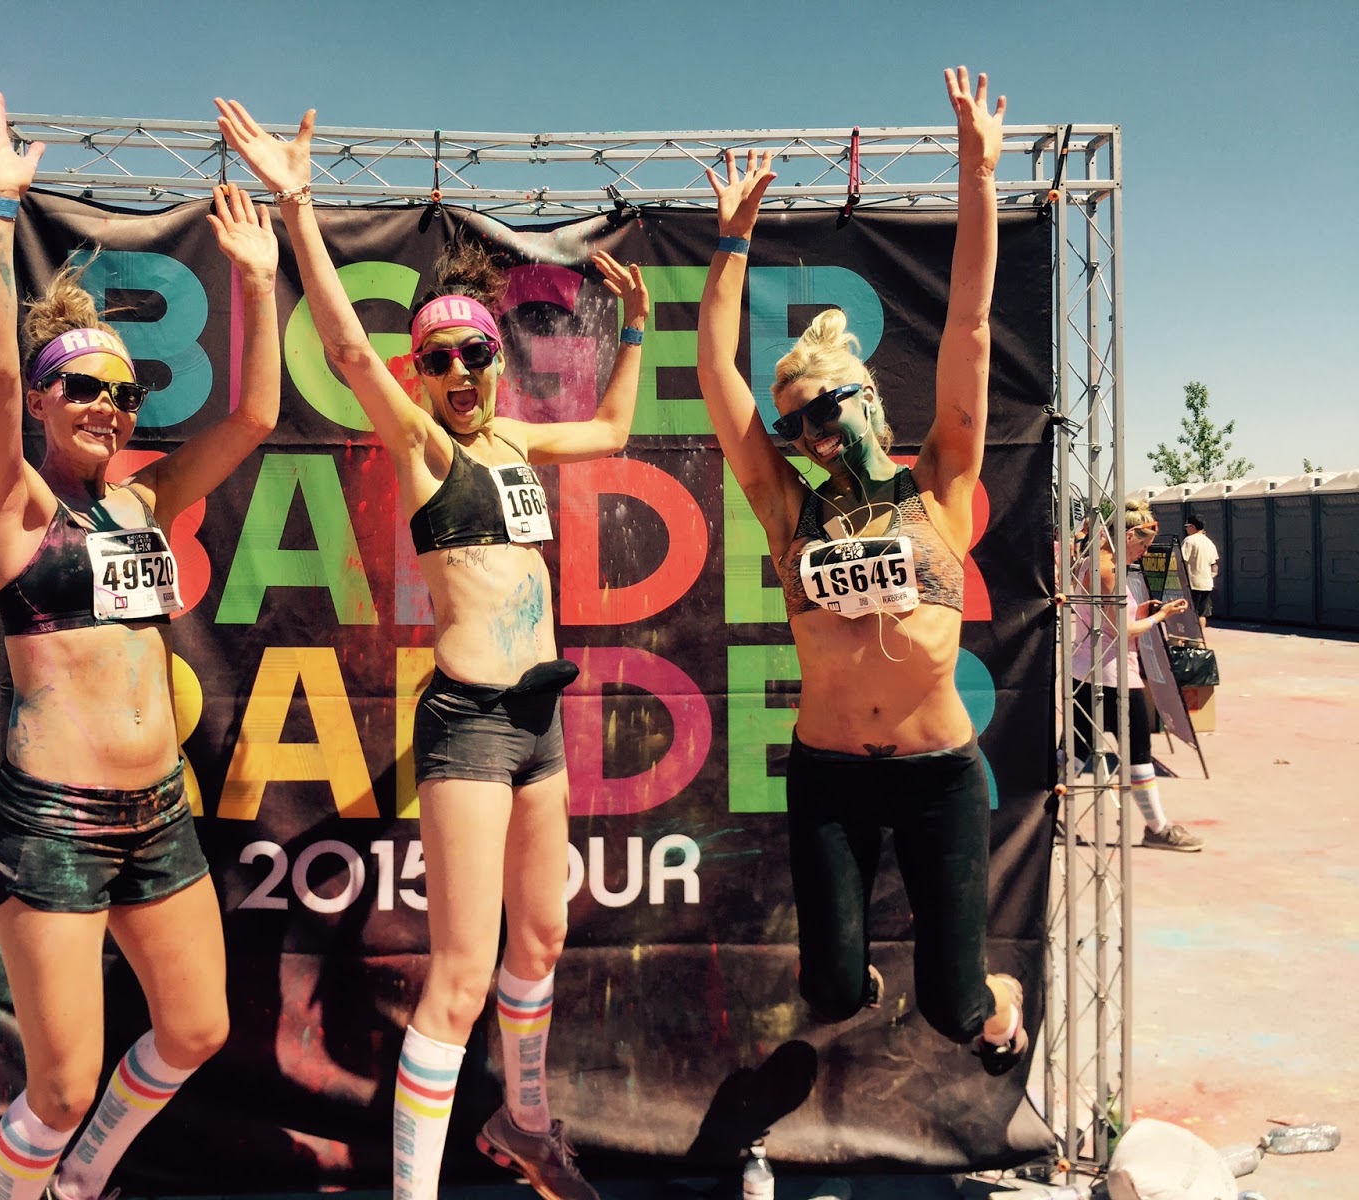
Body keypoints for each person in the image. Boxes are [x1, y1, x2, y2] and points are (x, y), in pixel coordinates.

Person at [216, 97, 649, 1200]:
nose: (459, 373)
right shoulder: (423, 448)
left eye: (475, 354)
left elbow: (611, 430)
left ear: (499, 360)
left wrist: (637, 335)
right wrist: (297, 207)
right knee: (459, 976)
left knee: (539, 939)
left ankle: (523, 1125)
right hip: (469, 725)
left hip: (540, 717)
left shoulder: (517, 441)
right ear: (419, 374)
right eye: (439, 359)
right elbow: (346, 347)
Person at [0, 78, 282, 1200]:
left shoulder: (143, 501)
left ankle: (82, 1181)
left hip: (160, 814)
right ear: (44, 402)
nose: (107, 405)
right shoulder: (14, 508)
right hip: (52, 826)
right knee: (58, 1087)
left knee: (194, 1030)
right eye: (82, 387)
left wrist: (258, 279)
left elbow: (255, 418)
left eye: (124, 393)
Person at [696, 68, 1029, 1074]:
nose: (809, 433)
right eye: (794, 422)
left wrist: (977, 174)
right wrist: (730, 244)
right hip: (829, 775)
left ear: (870, 400)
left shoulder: (940, 485)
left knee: (957, 1010)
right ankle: (856, 982)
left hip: (938, 775)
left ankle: (1002, 1002)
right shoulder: (790, 510)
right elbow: (716, 379)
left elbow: (969, 328)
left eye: (825, 409)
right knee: (833, 992)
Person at [1070, 501, 1204, 852]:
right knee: (1137, 751)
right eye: (1143, 545)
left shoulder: (1090, 563)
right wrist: (1160, 617)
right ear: (1128, 536)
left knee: (1074, 750)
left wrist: (1142, 612)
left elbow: (1106, 619)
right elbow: (1122, 630)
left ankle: (1046, 818)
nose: (1144, 553)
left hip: (1085, 671)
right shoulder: (1109, 571)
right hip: (1113, 675)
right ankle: (1157, 827)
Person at [1180, 514, 1219, 629]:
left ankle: (1189, 636)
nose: (1186, 529)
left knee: (1188, 612)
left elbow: (1180, 560)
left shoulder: (1189, 540)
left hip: (1191, 583)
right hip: (1206, 583)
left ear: (1192, 526)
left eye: (1187, 526)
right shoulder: (1209, 542)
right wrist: (1209, 576)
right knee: (1202, 613)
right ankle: (1199, 637)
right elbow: (1214, 566)